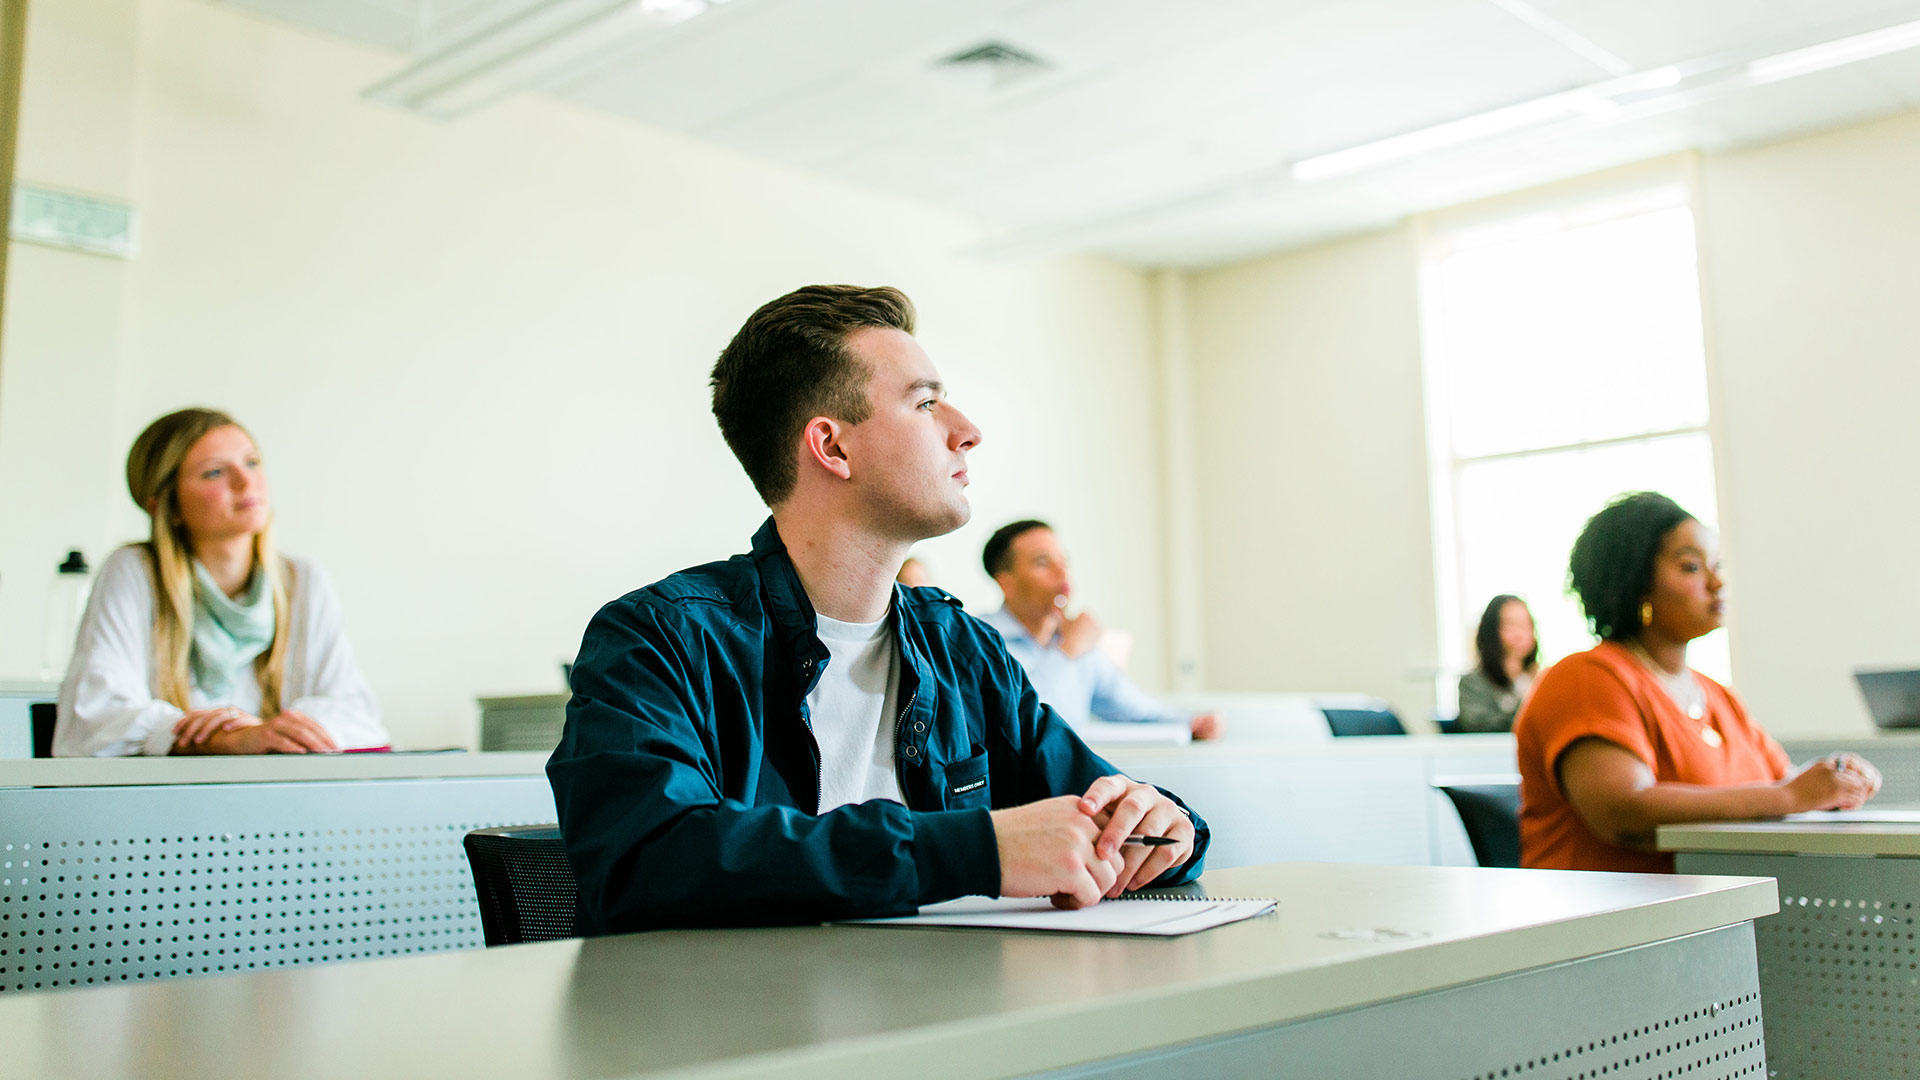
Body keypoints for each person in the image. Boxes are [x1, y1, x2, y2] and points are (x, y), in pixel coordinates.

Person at [547, 285, 1208, 933]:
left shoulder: (960, 647)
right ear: (832, 447)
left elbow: (1108, 808)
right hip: (738, 1032)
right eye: (926, 403)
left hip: (950, 1020)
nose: (968, 432)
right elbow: (646, 863)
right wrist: (977, 848)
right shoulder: (658, 639)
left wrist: (1165, 829)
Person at [1514, 492, 1879, 873]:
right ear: (1634, 582)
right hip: (1613, 922)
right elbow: (1622, 812)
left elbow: (1784, 785)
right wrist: (1789, 795)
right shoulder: (1587, 678)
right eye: (1691, 567)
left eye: (1717, 564)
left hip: (1721, 914)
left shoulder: (1718, 696)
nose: (1718, 582)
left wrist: (1834, 785)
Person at [55, 408, 387, 757]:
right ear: (167, 506)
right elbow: (95, 721)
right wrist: (222, 738)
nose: (246, 483)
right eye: (214, 472)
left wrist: (268, 733)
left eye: (252, 462)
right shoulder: (133, 572)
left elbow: (359, 717)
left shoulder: (302, 580)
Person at [979, 520, 1220, 740]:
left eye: (1064, 561)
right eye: (1043, 562)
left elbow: (1128, 705)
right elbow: (1022, 720)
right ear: (1006, 582)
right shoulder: (980, 640)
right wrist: (1068, 651)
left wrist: (1190, 722)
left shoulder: (1072, 637)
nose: (1062, 572)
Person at [1455, 594, 1539, 733]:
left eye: (1526, 624)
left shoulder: (1538, 678)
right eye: (1511, 625)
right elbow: (1479, 727)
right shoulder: (1473, 684)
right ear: (1491, 630)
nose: (1521, 634)